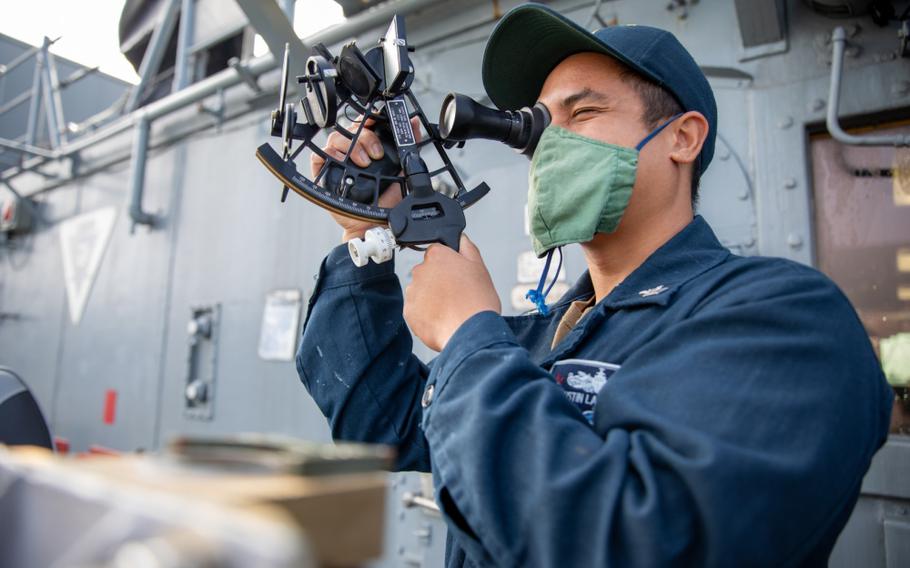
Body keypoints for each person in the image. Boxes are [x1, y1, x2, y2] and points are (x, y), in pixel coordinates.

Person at [298, 4, 893, 566]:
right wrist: (368, 240)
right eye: (538, 129)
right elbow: (378, 425)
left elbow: (638, 542)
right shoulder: (544, 337)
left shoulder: (790, 321)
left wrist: (465, 333)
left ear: (683, 137)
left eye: (582, 114)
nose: (550, 147)